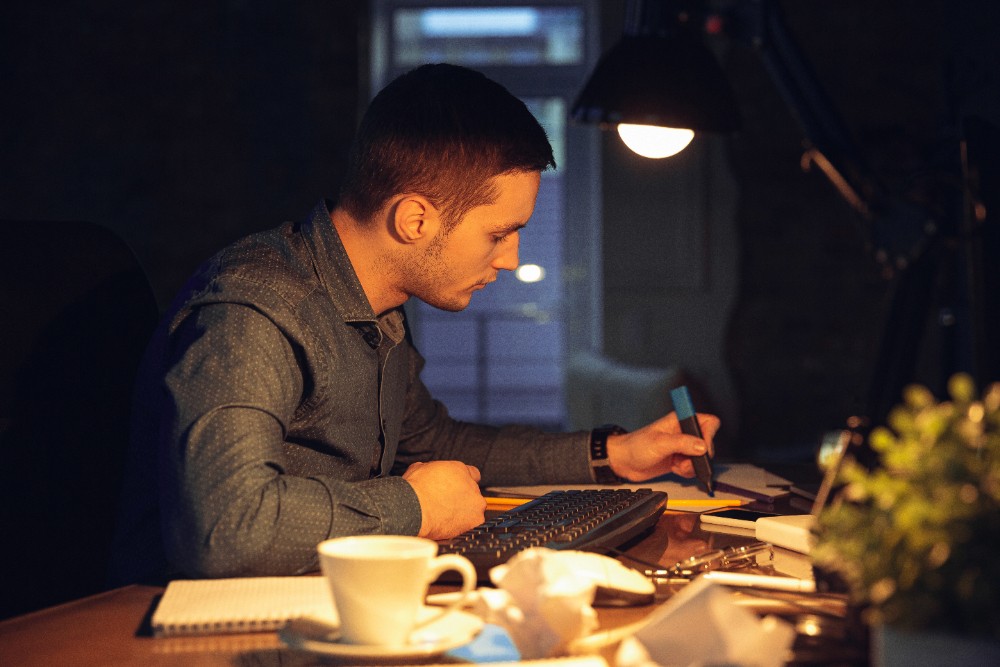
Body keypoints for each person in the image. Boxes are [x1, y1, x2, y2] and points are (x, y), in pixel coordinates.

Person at [110, 63, 719, 584]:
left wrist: (616, 453)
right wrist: (413, 506)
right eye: (500, 233)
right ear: (415, 220)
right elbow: (226, 530)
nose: (510, 259)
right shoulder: (255, 310)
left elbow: (437, 446)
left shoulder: (380, 307)